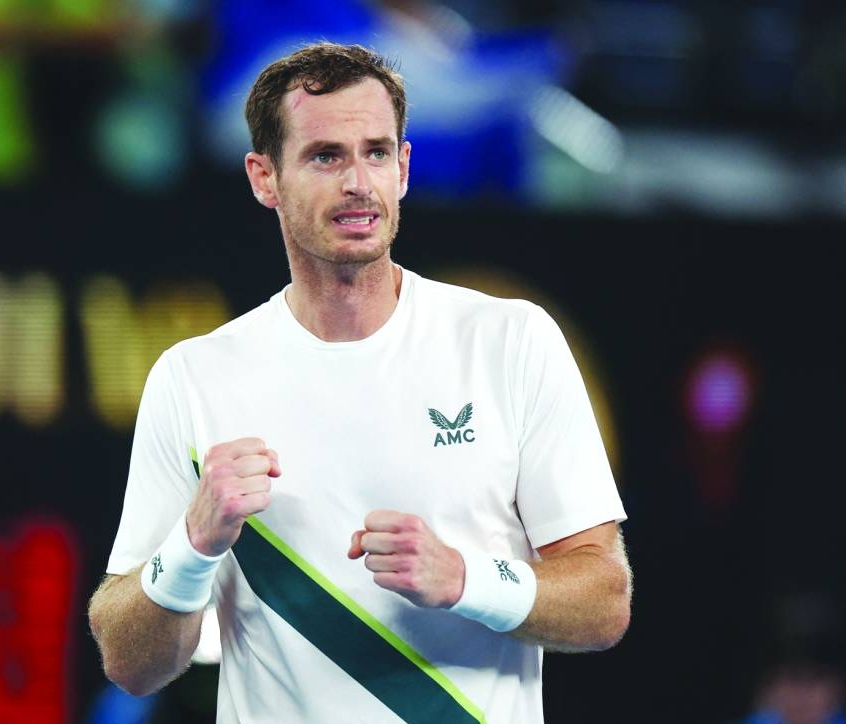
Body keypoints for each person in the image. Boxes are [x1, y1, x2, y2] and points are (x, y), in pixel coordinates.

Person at [88, 41, 631, 723]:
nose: (358, 182)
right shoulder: (195, 377)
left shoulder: (510, 341)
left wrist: (468, 581)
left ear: (404, 168)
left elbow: (605, 601)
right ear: (264, 178)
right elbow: (129, 663)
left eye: (377, 152)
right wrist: (191, 546)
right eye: (325, 156)